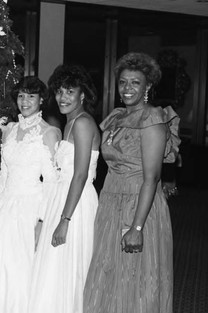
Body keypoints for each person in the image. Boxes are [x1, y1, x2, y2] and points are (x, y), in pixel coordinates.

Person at [83, 52, 180, 313]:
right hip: (111, 200)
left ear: (148, 86)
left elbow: (152, 178)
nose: (127, 88)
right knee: (107, 273)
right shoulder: (116, 117)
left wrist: (137, 227)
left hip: (140, 205)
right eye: (123, 82)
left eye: (135, 82)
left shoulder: (152, 120)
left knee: (134, 279)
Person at [0, 76, 61, 313]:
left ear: (41, 100)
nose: (25, 101)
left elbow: (51, 182)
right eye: (21, 96)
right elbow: (3, 176)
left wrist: (41, 221)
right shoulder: (9, 130)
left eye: (31, 96)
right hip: (4, 204)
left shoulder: (49, 132)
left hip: (30, 206)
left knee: (19, 268)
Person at [28, 64, 100, 313]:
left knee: (67, 269)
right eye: (59, 91)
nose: (62, 97)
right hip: (61, 199)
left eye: (70, 91)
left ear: (83, 94)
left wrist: (65, 219)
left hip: (75, 205)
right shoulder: (69, 122)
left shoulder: (82, 124)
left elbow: (79, 175)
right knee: (53, 270)